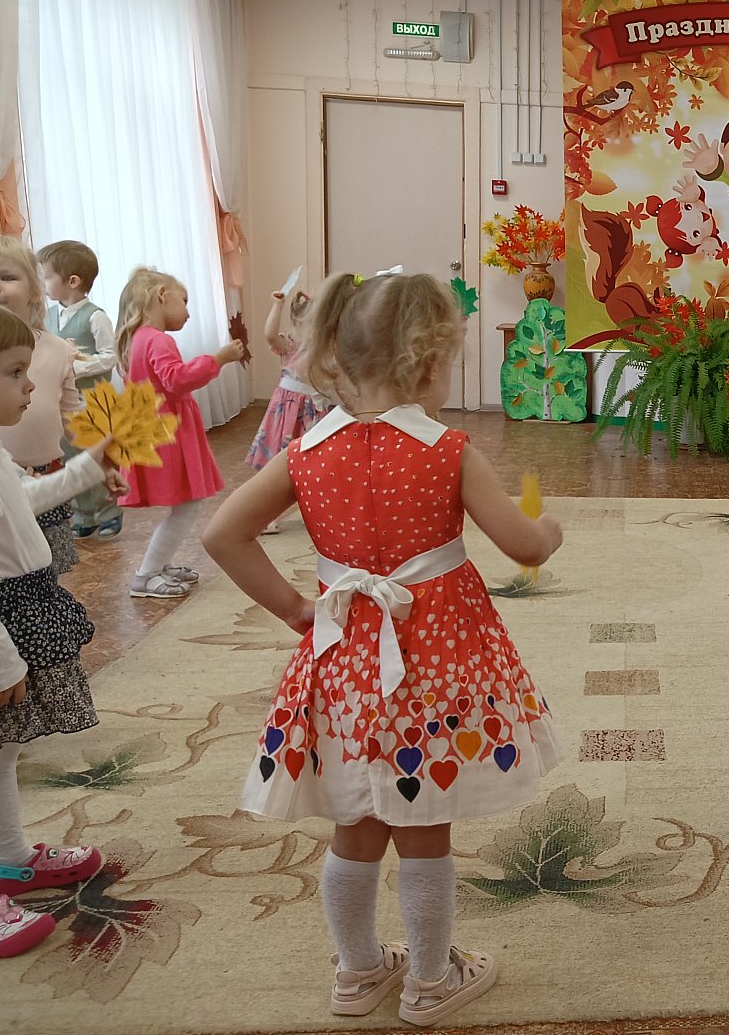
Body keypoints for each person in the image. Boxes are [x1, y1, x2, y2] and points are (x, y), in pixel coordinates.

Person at [203, 270, 564, 1027]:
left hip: (343, 663)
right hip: (433, 667)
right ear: (428, 362)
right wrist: (548, 531)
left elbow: (222, 534)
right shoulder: (448, 450)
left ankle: (358, 970)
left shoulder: (305, 451)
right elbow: (524, 545)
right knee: (423, 821)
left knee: (357, 819)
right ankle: (430, 980)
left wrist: (297, 609)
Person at [0, 306, 126, 958]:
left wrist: (89, 466)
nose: (31, 385)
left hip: (17, 607)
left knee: (4, 750)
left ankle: (11, 856)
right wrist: (2, 660)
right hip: (0, 621)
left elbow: (23, 501)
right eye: (14, 372)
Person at [116, 267, 245, 600]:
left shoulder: (139, 338)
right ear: (162, 295)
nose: (188, 312)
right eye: (184, 301)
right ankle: (146, 574)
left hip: (157, 430)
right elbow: (176, 380)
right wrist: (218, 360)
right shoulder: (158, 339)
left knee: (185, 502)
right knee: (188, 504)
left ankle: (159, 564)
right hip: (167, 435)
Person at [0, 239, 84, 575]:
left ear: (35, 291)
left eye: (7, 277)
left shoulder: (58, 349)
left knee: (50, 567)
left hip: (47, 475)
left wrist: (101, 454)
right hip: (4, 480)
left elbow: (73, 413)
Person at [38, 241, 121, 539]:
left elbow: (110, 356)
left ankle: (108, 512)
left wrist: (75, 368)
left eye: (47, 277)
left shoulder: (95, 317)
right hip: (62, 403)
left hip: (92, 401)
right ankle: (83, 514)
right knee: (70, 458)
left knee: (94, 454)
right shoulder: (47, 317)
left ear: (72, 281)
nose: (43, 284)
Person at [245, 284, 333, 534]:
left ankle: (318, 511)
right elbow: (269, 335)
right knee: (276, 464)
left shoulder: (328, 346)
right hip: (289, 409)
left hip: (316, 410)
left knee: (316, 462)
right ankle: (264, 515)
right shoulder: (291, 343)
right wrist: (277, 305)